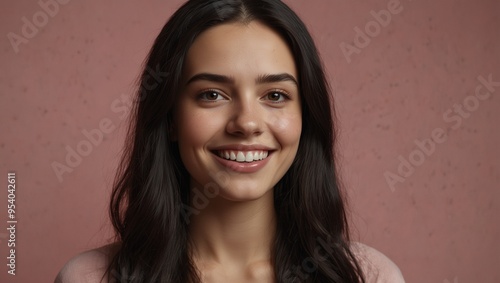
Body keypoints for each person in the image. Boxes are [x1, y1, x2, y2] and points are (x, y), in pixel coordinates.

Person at [55, 0, 405, 282]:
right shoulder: (90, 278)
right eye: (211, 94)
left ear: (307, 116)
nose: (247, 122)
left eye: (276, 95)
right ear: (170, 118)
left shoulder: (370, 277)